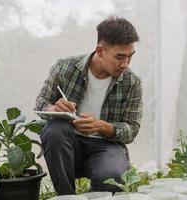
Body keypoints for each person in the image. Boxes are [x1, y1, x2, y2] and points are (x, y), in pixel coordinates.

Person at [35, 16, 143, 195]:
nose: (125, 64)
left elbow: (132, 129)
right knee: (54, 130)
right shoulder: (64, 68)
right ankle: (66, 197)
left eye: (130, 57)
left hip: (106, 146)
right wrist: (53, 109)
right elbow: (41, 101)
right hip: (68, 143)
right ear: (100, 51)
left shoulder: (132, 82)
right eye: (119, 57)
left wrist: (102, 127)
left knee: (112, 177)